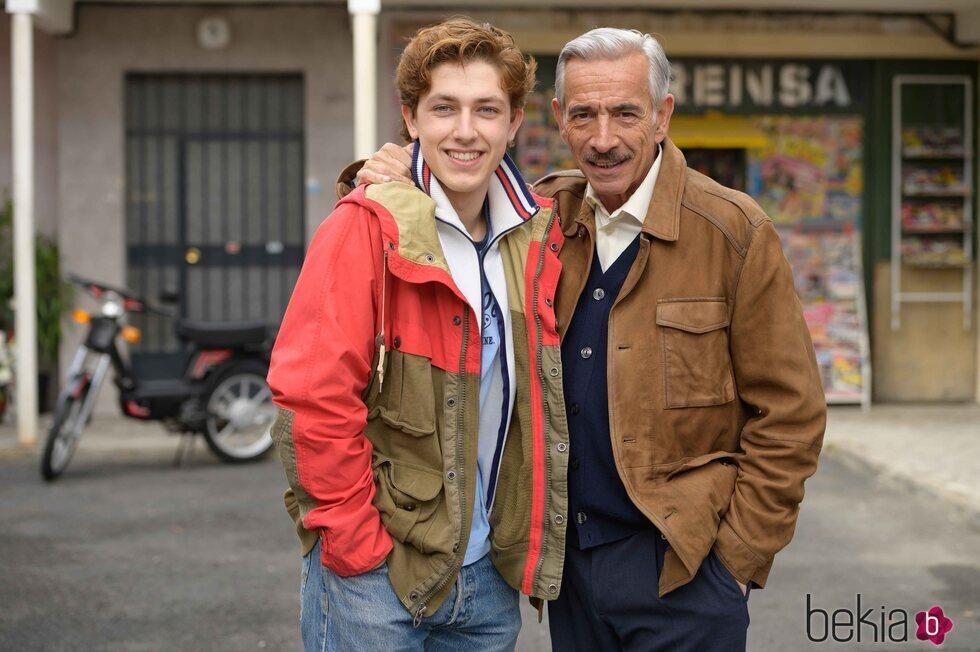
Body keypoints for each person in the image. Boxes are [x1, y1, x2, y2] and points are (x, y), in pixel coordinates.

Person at [351, 27, 827, 652]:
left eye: (625, 113)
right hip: (568, 574)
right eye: (584, 115)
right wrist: (385, 170)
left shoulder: (733, 233)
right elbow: (448, 190)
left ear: (662, 116)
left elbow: (791, 415)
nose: (603, 139)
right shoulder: (537, 216)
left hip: (684, 572)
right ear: (558, 120)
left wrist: (735, 561)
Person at [268, 18, 569, 651]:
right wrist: (355, 545)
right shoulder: (365, 227)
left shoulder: (538, 237)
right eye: (444, 109)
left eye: (487, 109)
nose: (466, 131)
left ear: (514, 123)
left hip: (487, 582)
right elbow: (311, 399)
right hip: (377, 580)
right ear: (411, 120)